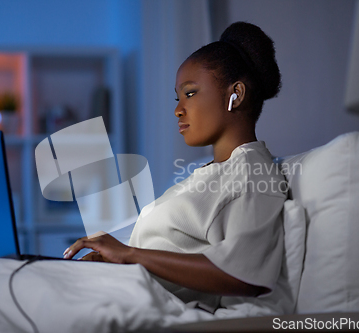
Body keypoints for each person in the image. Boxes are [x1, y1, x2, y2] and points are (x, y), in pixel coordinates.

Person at [63, 21, 287, 312]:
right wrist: (111, 260)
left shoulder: (253, 175)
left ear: (237, 95)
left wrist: (129, 255)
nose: (178, 109)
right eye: (177, 98)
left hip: (146, 305)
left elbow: (245, 274)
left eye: (190, 94)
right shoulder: (209, 171)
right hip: (121, 290)